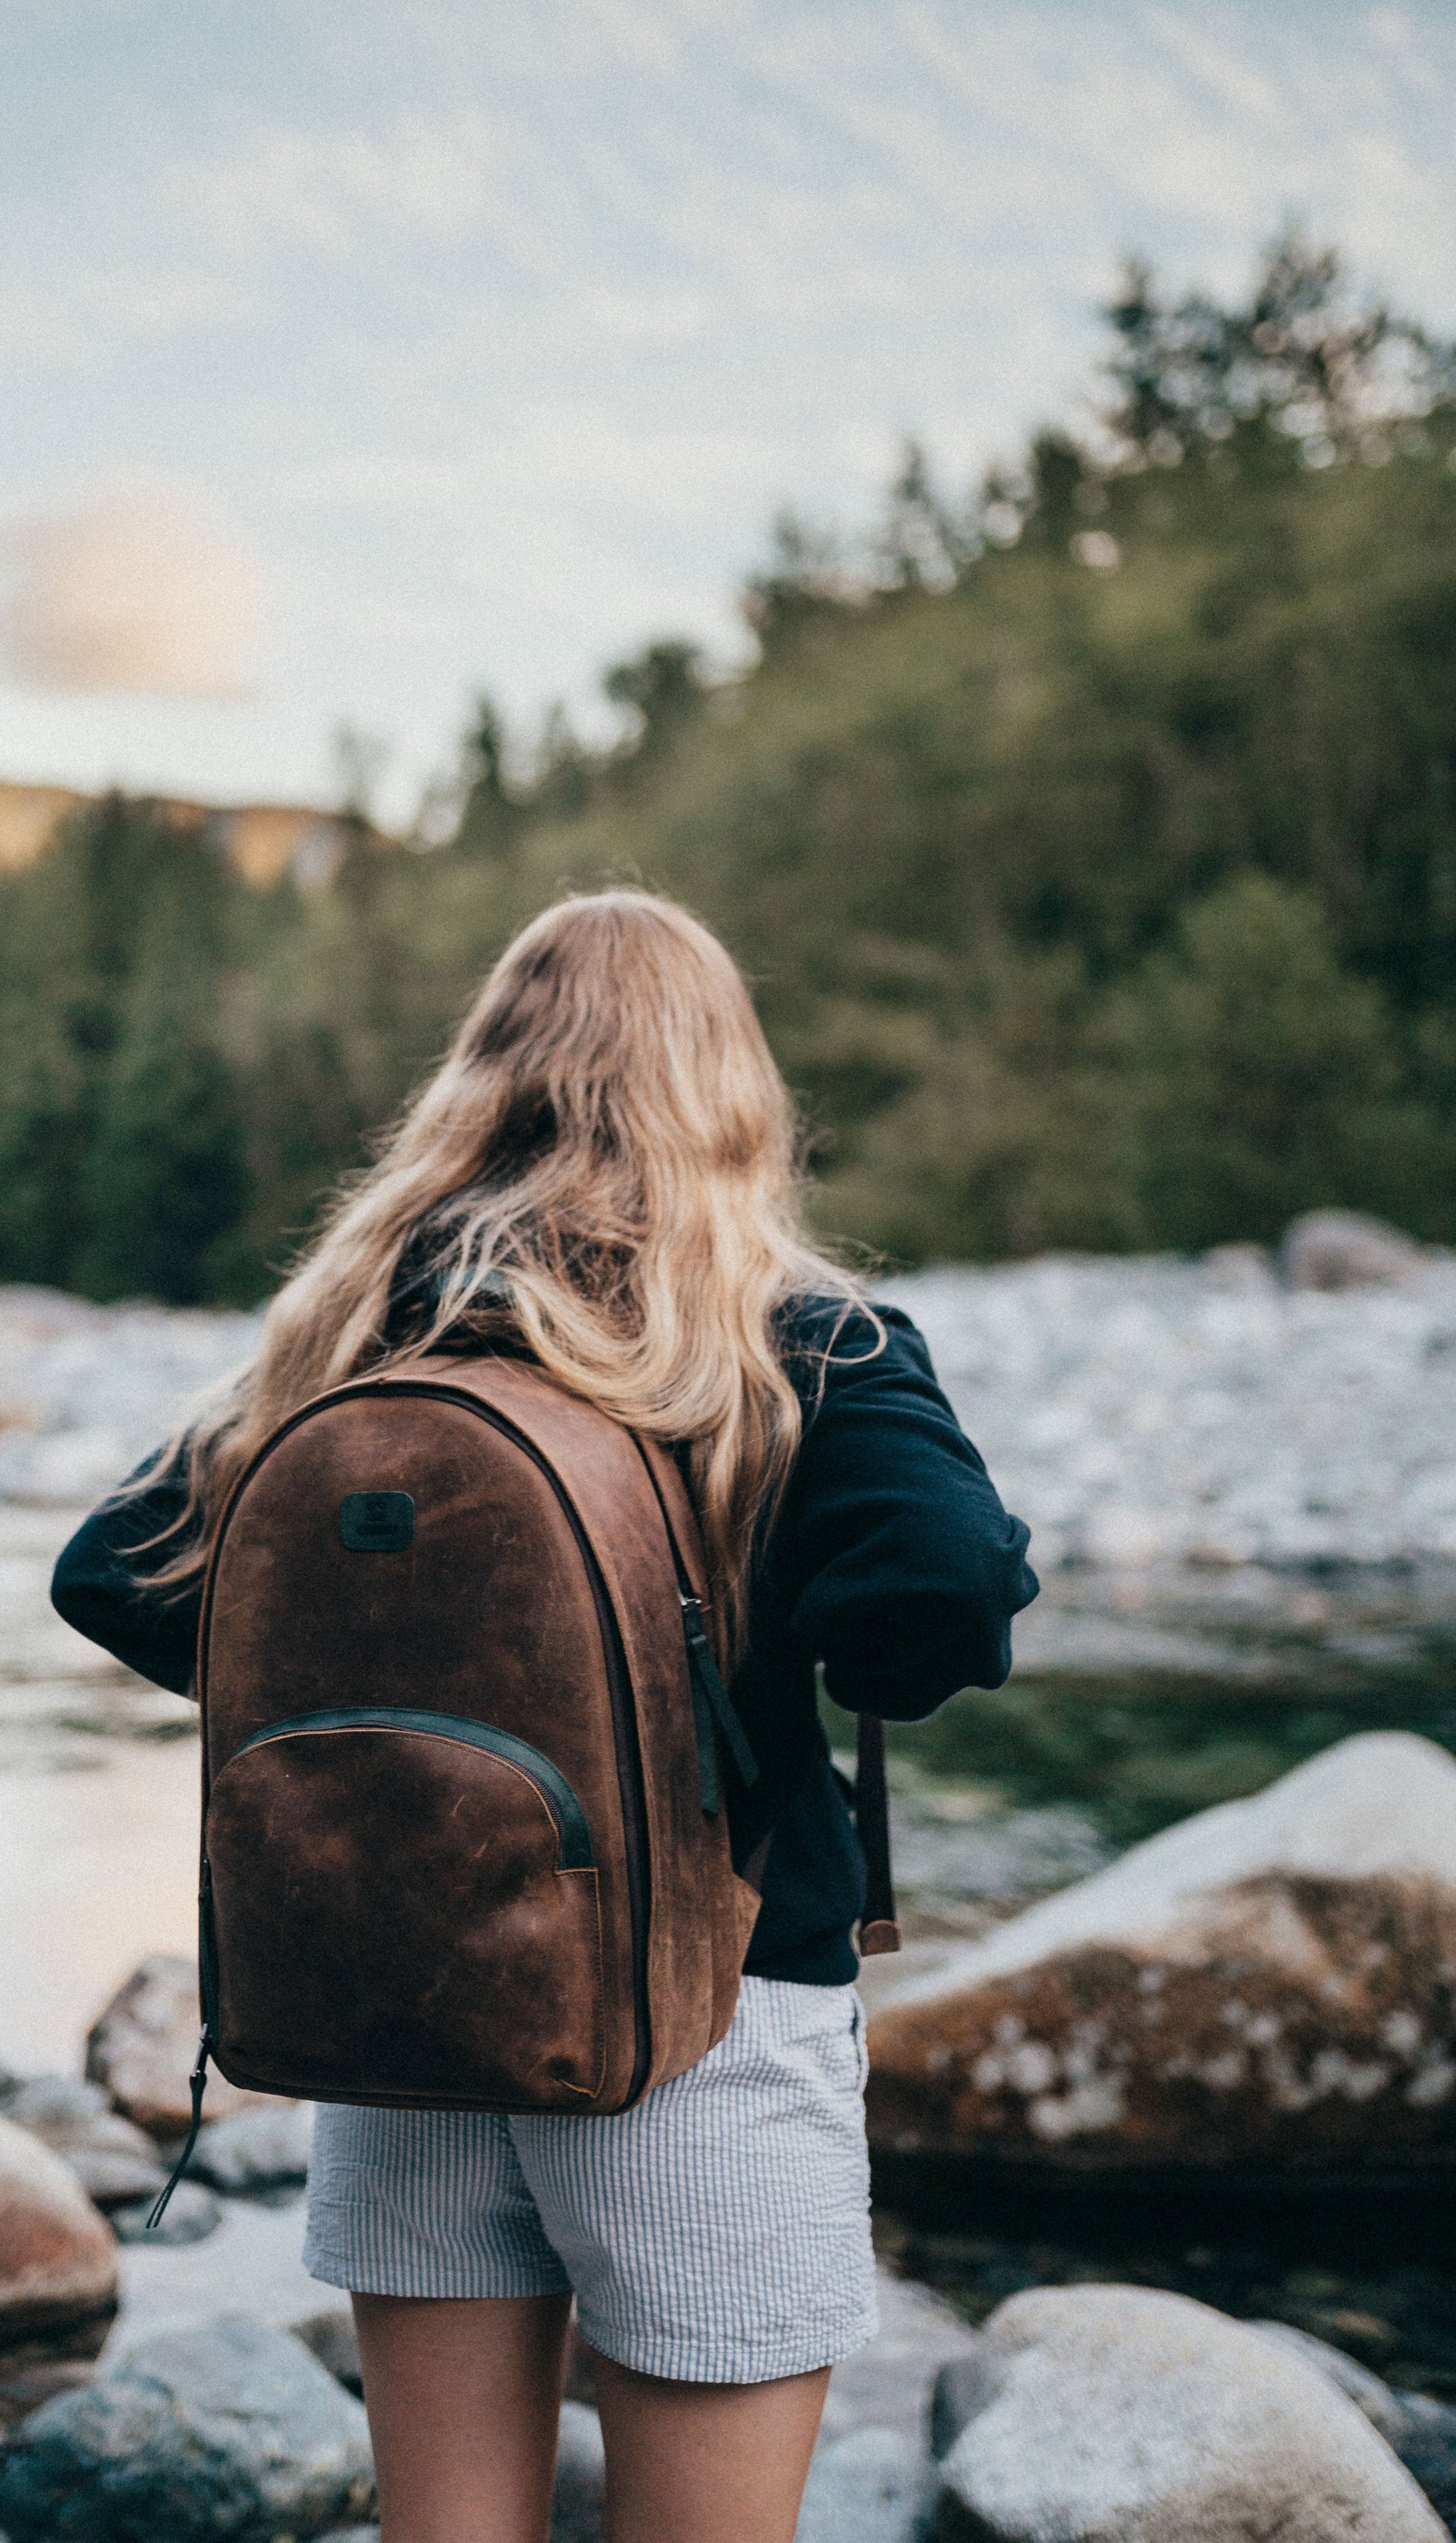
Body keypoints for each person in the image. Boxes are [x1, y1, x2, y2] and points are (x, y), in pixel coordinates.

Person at [52, 889, 1035, 2543]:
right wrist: (808, 1670)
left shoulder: (359, 1330)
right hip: (704, 2028)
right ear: (729, 1093)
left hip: (405, 2020)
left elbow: (112, 1575)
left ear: (480, 1077)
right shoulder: (792, 1336)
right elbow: (935, 1590)